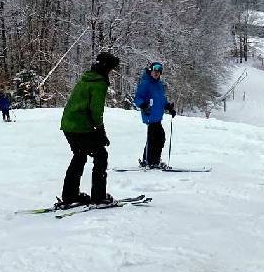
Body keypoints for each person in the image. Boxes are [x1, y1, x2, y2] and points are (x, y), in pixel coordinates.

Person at [59, 52, 120, 206]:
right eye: (111, 69)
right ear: (106, 68)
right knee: (101, 155)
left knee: (79, 156)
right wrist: (101, 132)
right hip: (80, 126)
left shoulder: (86, 78)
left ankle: (70, 195)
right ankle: (99, 197)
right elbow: (96, 111)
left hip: (68, 125)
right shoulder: (99, 83)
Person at [133, 61, 176, 169]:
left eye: (158, 72)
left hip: (157, 117)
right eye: (154, 71)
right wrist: (143, 105)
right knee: (155, 139)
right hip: (150, 115)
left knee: (158, 138)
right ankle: (151, 161)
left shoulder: (159, 84)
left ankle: (151, 160)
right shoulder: (145, 83)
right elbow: (138, 98)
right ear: (151, 71)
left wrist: (168, 107)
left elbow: (161, 99)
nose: (156, 73)